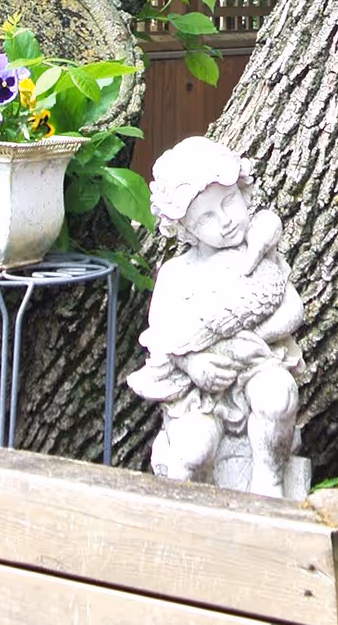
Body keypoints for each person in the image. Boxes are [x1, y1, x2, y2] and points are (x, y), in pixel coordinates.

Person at [126, 137, 308, 497]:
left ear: (243, 191)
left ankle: (269, 481)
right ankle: (195, 491)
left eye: (229, 202)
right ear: (186, 229)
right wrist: (193, 363)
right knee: (195, 450)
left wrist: (249, 341)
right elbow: (162, 336)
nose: (225, 221)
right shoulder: (177, 274)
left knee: (278, 397)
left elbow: (292, 310)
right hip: (200, 388)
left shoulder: (259, 258)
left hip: (257, 364)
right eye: (206, 217)